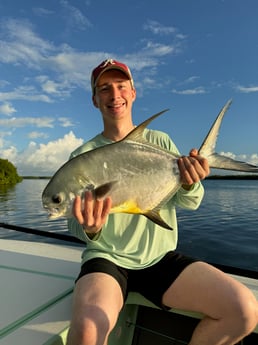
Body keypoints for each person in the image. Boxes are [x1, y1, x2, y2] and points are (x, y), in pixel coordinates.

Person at [66, 59, 258, 345]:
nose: (114, 95)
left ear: (133, 93)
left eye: (121, 87)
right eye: (104, 89)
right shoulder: (82, 155)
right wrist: (92, 229)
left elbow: (188, 202)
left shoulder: (161, 143)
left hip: (159, 258)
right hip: (106, 259)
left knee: (243, 310)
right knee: (87, 332)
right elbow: (74, 226)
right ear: (95, 99)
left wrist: (191, 181)